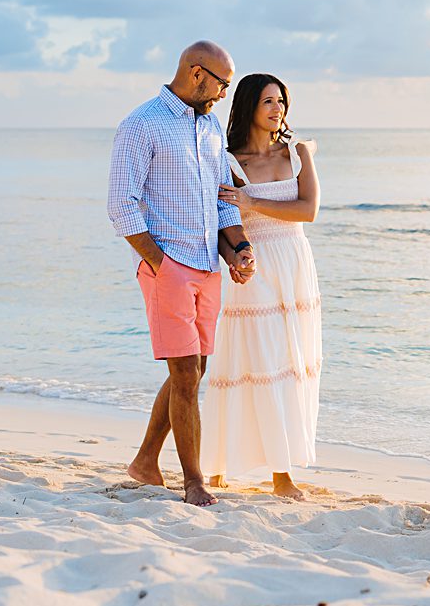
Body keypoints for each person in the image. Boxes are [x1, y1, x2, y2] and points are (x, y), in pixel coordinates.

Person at [107, 40, 256, 507]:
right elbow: (120, 205)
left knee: (193, 371)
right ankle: (193, 481)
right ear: (197, 74)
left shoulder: (210, 128)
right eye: (222, 85)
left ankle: (146, 461)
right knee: (187, 371)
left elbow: (221, 197)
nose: (223, 95)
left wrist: (238, 250)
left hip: (207, 266)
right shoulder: (141, 125)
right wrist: (159, 262)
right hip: (169, 267)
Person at [201, 73, 323, 499]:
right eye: (268, 101)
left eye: (282, 102)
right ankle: (251, 470)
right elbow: (223, 221)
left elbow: (308, 210)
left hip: (294, 263)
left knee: (291, 365)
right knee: (251, 365)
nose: (277, 110)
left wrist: (255, 202)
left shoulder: (299, 152)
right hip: (254, 267)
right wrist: (235, 256)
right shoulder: (229, 161)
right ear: (249, 105)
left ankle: (279, 471)